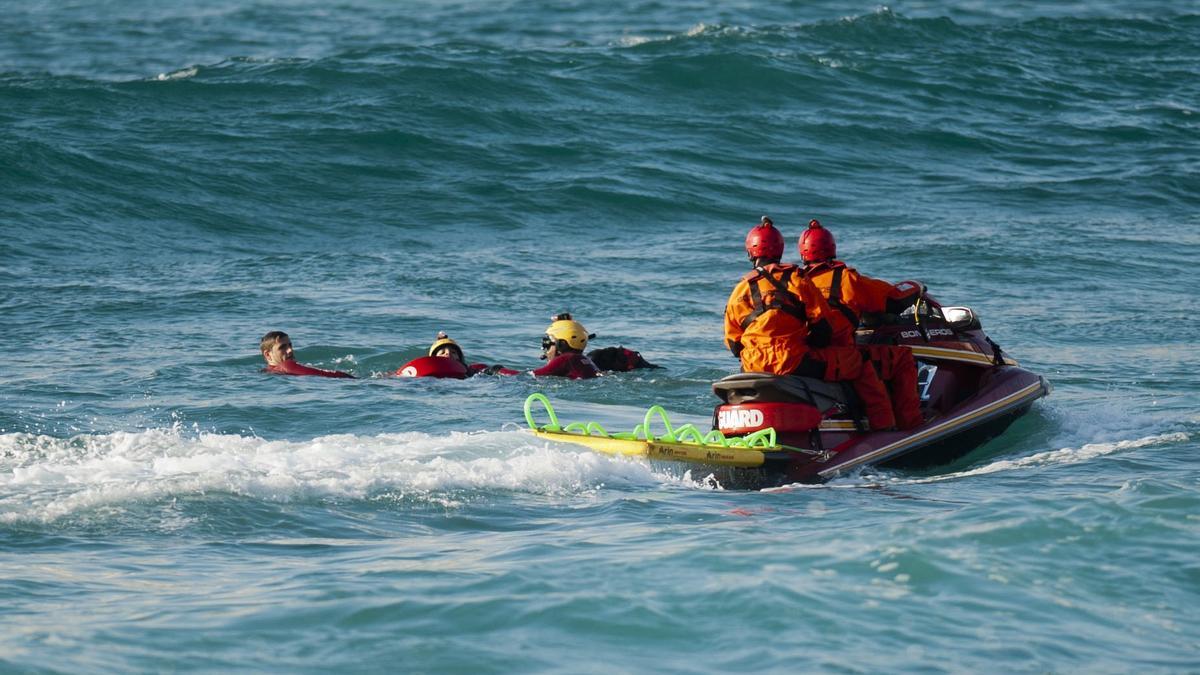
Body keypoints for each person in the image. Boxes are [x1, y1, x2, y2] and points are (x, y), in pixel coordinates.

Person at [724, 216, 897, 431]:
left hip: (752, 364)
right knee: (862, 364)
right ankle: (884, 429)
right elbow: (822, 327)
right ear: (780, 249)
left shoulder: (740, 290)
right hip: (792, 360)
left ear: (750, 251)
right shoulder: (797, 279)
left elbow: (734, 345)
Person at [800, 219, 924, 429]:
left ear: (802, 253)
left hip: (805, 355)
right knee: (901, 358)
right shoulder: (847, 279)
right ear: (832, 249)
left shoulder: (796, 281)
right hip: (841, 354)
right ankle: (907, 427)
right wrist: (915, 287)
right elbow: (893, 300)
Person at [260, 331, 355, 378]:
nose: (290, 350)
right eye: (282, 347)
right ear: (267, 354)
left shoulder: (266, 372)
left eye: (290, 345)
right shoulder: (286, 366)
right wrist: (358, 379)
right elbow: (325, 375)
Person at [533, 313, 600, 379]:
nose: (545, 351)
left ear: (561, 344)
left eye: (546, 345)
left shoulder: (565, 359)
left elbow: (533, 375)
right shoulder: (584, 359)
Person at [427, 332, 519, 376]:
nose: (448, 354)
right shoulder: (430, 377)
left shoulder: (472, 369)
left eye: (453, 352)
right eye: (442, 352)